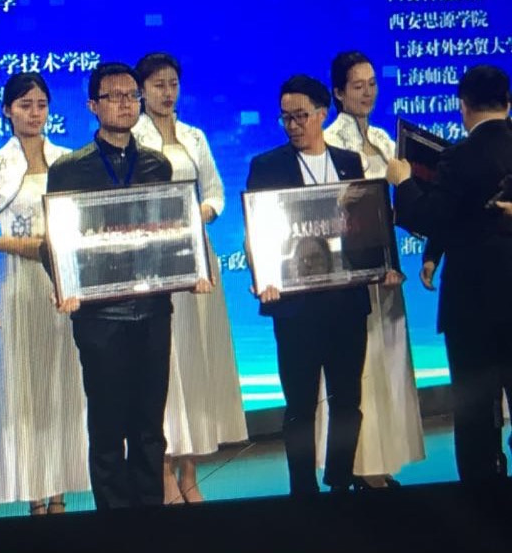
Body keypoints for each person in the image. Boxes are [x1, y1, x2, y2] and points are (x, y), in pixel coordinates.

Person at [45, 62, 210, 510]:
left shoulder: (157, 164)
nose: (124, 104)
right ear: (92, 106)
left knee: (149, 427)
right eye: (113, 96)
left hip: (153, 311)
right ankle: (114, 524)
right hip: (99, 317)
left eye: (130, 96)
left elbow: (171, 230)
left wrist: (192, 269)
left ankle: (151, 519)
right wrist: (64, 282)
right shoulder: (69, 169)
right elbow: (53, 241)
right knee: (106, 427)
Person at [0, 73, 89, 514]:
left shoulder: (68, 159)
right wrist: (8, 243)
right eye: (25, 105)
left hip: (62, 281)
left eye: (41, 105)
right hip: (15, 280)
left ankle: (60, 491)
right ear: (7, 111)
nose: (34, 113)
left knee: (62, 380)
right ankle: (34, 493)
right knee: (23, 383)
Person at [246, 74, 380, 495]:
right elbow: (256, 231)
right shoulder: (267, 165)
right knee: (300, 405)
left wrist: (382, 264)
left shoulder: (349, 162)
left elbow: (364, 226)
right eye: (285, 118)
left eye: (300, 116)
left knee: (347, 400)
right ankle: (302, 491)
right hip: (295, 307)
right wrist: (263, 276)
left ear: (322, 114)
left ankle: (339, 481)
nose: (292, 125)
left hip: (346, 302)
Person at [387, 64, 512, 485]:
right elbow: (466, 215)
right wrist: (433, 253)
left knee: (475, 413)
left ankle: (483, 499)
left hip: (473, 307)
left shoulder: (458, 156)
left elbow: (432, 215)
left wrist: (404, 182)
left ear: (463, 105)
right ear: (508, 101)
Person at [131, 52, 247, 504]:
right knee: (165, 362)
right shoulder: (133, 138)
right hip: (155, 258)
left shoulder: (195, 136)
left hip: (198, 253)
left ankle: (190, 470)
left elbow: (215, 190)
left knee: (197, 359)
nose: (167, 92)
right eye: (158, 84)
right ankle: (162, 469)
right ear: (142, 90)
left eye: (173, 84)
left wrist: (202, 213)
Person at [317, 51, 424, 488]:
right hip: (353, 271)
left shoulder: (383, 138)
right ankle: (359, 466)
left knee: (388, 362)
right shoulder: (329, 142)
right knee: (357, 368)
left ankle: (383, 461)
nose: (368, 93)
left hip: (389, 270)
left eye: (372, 84)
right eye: (358, 86)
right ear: (339, 93)